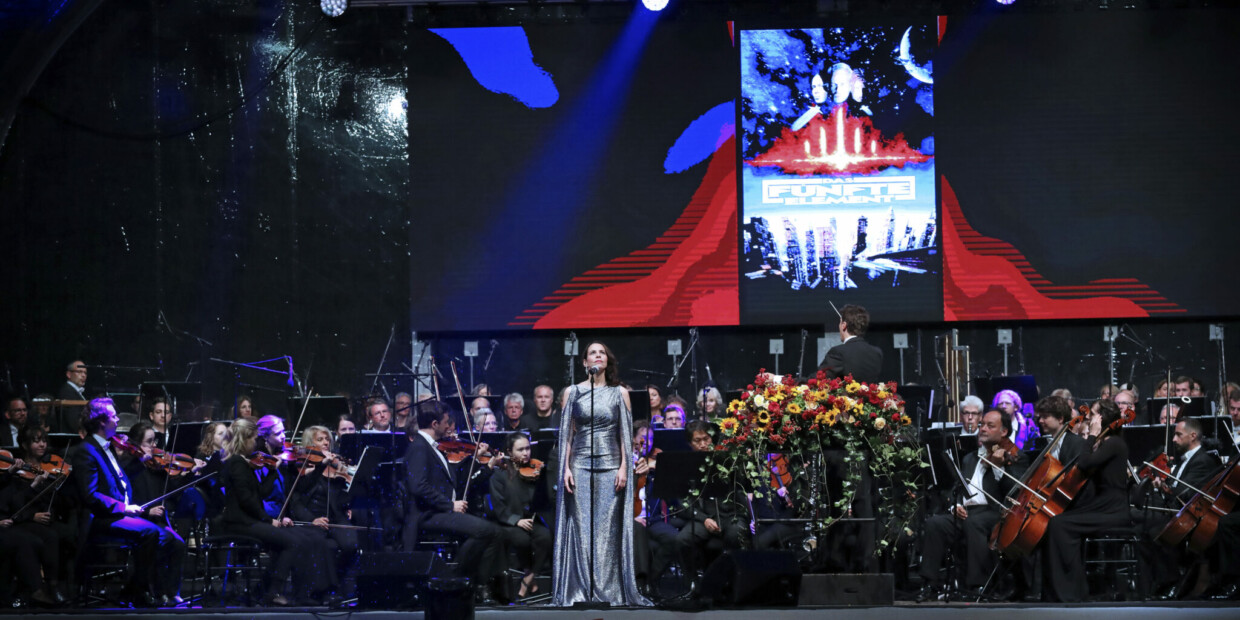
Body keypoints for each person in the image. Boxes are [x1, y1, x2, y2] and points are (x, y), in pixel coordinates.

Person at [552, 341, 651, 606]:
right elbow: (566, 436)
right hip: (580, 464)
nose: (597, 355)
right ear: (585, 362)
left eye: (602, 352)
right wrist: (565, 469)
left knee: (607, 530)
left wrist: (624, 467)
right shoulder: (571, 392)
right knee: (583, 529)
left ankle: (610, 592)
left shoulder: (620, 393)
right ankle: (581, 590)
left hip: (611, 465)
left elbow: (624, 435)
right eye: (592, 353)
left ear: (608, 360)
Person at [70, 398, 185, 607]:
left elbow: (119, 481)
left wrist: (139, 464)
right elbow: (90, 495)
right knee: (150, 533)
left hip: (118, 513)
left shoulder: (107, 447)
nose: (117, 419)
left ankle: (136, 589)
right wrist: (125, 508)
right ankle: (138, 593)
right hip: (101, 518)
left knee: (171, 539)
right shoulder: (86, 451)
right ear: (102, 421)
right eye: (114, 416)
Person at [917, 409, 1028, 601]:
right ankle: (930, 584)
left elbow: (1016, 491)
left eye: (989, 425)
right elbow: (956, 488)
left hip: (995, 512)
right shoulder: (970, 458)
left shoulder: (1017, 457)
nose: (982, 428)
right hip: (966, 511)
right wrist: (955, 506)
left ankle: (977, 586)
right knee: (935, 523)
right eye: (982, 424)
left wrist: (998, 467)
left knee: (974, 523)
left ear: (1004, 432)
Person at [403, 400, 502, 604]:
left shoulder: (432, 446)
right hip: (428, 515)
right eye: (446, 422)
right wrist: (450, 505)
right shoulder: (420, 448)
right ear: (434, 423)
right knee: (487, 531)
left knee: (491, 531)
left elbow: (449, 477)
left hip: (439, 512)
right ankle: (455, 578)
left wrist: (475, 459)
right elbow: (418, 486)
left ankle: (475, 585)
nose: (449, 426)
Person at [1042, 399, 1132, 603]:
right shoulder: (1106, 443)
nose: (1088, 418)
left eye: (1092, 414)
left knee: (1060, 524)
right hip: (1102, 507)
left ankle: (1071, 592)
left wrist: (1091, 435)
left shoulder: (1114, 443)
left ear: (1102, 419)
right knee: (1057, 520)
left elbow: (1082, 462)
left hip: (1113, 511)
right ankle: (1060, 591)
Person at [489, 432, 552, 599]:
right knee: (522, 539)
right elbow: (497, 507)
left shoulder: (534, 472)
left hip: (530, 519)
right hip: (507, 522)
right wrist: (516, 521)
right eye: (521, 449)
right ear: (510, 452)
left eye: (528, 448)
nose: (526, 453)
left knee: (545, 536)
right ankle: (532, 582)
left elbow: (540, 501)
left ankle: (528, 578)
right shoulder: (500, 475)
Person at [820, 304, 883, 384]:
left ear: (843, 326)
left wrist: (800, 381)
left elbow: (820, 377)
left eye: (840, 323)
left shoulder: (838, 352)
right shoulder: (877, 353)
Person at [1033, 396, 1086, 464]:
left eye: (1045, 417)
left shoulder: (1077, 443)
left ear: (1060, 419)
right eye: (1040, 417)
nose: (1040, 421)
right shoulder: (1042, 444)